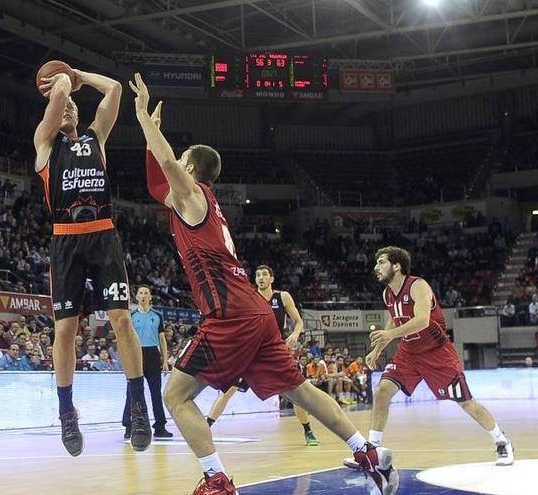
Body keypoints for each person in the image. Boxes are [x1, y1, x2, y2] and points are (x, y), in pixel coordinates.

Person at [130, 74, 396, 495]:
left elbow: (166, 169)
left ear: (192, 168)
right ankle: (366, 452)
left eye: (180, 159)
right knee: (301, 390)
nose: (174, 164)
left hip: (230, 315)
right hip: (254, 312)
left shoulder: (195, 196)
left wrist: (144, 118)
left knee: (176, 396)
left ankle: (217, 480)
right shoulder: (196, 203)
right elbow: (155, 182)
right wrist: (151, 138)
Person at [33, 67, 151, 456]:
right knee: (65, 329)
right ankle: (67, 412)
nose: (66, 108)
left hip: (103, 235)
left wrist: (77, 75)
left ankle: (138, 406)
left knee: (121, 320)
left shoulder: (96, 138)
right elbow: (56, 100)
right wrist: (61, 86)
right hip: (65, 240)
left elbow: (115, 89)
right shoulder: (45, 143)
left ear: (80, 113)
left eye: (71, 107)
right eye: (60, 105)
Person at [344, 246, 514, 469]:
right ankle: (371, 451)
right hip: (409, 352)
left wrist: (389, 335)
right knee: (382, 390)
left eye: (382, 262)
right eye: (376, 263)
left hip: (437, 353)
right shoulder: (387, 294)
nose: (376, 267)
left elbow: (422, 320)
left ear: (396, 266)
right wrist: (377, 349)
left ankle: (502, 441)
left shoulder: (418, 285)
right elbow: (395, 320)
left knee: (466, 403)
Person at [206, 265, 320, 447]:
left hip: (274, 352)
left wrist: (295, 334)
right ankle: (206, 428)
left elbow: (299, 322)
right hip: (249, 352)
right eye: (258, 274)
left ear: (271, 279)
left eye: (265, 274)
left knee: (296, 394)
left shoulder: (282, 297)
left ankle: (308, 431)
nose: (260, 277)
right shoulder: (249, 298)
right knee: (227, 392)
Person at [122, 285, 172, 440]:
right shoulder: (131, 315)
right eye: (141, 293)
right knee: (132, 392)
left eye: (146, 293)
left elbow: (162, 339)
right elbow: (126, 338)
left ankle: (160, 427)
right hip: (135, 354)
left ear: (150, 297)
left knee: (156, 393)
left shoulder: (157, 315)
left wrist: (165, 360)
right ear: (136, 297)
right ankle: (129, 426)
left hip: (152, 355)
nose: (143, 295)